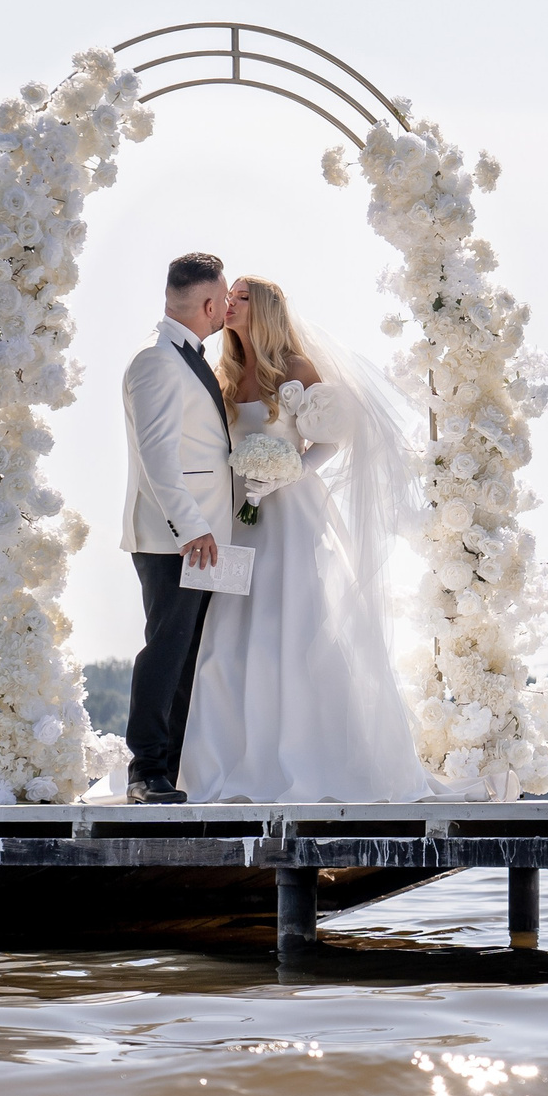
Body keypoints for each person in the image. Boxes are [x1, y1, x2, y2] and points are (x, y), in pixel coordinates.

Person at [176, 275, 442, 804]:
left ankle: (308, 758)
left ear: (265, 307)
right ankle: (223, 762)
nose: (229, 304)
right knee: (227, 634)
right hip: (235, 515)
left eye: (241, 297)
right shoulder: (222, 374)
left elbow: (333, 437)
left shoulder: (296, 370)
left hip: (289, 512)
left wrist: (289, 472)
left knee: (293, 623)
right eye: (228, 297)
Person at [119, 253, 234, 803]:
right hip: (176, 539)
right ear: (208, 304)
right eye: (225, 298)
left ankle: (170, 768)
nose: (228, 307)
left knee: (188, 655)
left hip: (200, 537)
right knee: (166, 650)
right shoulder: (156, 361)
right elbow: (157, 456)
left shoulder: (183, 356)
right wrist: (190, 528)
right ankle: (145, 770)